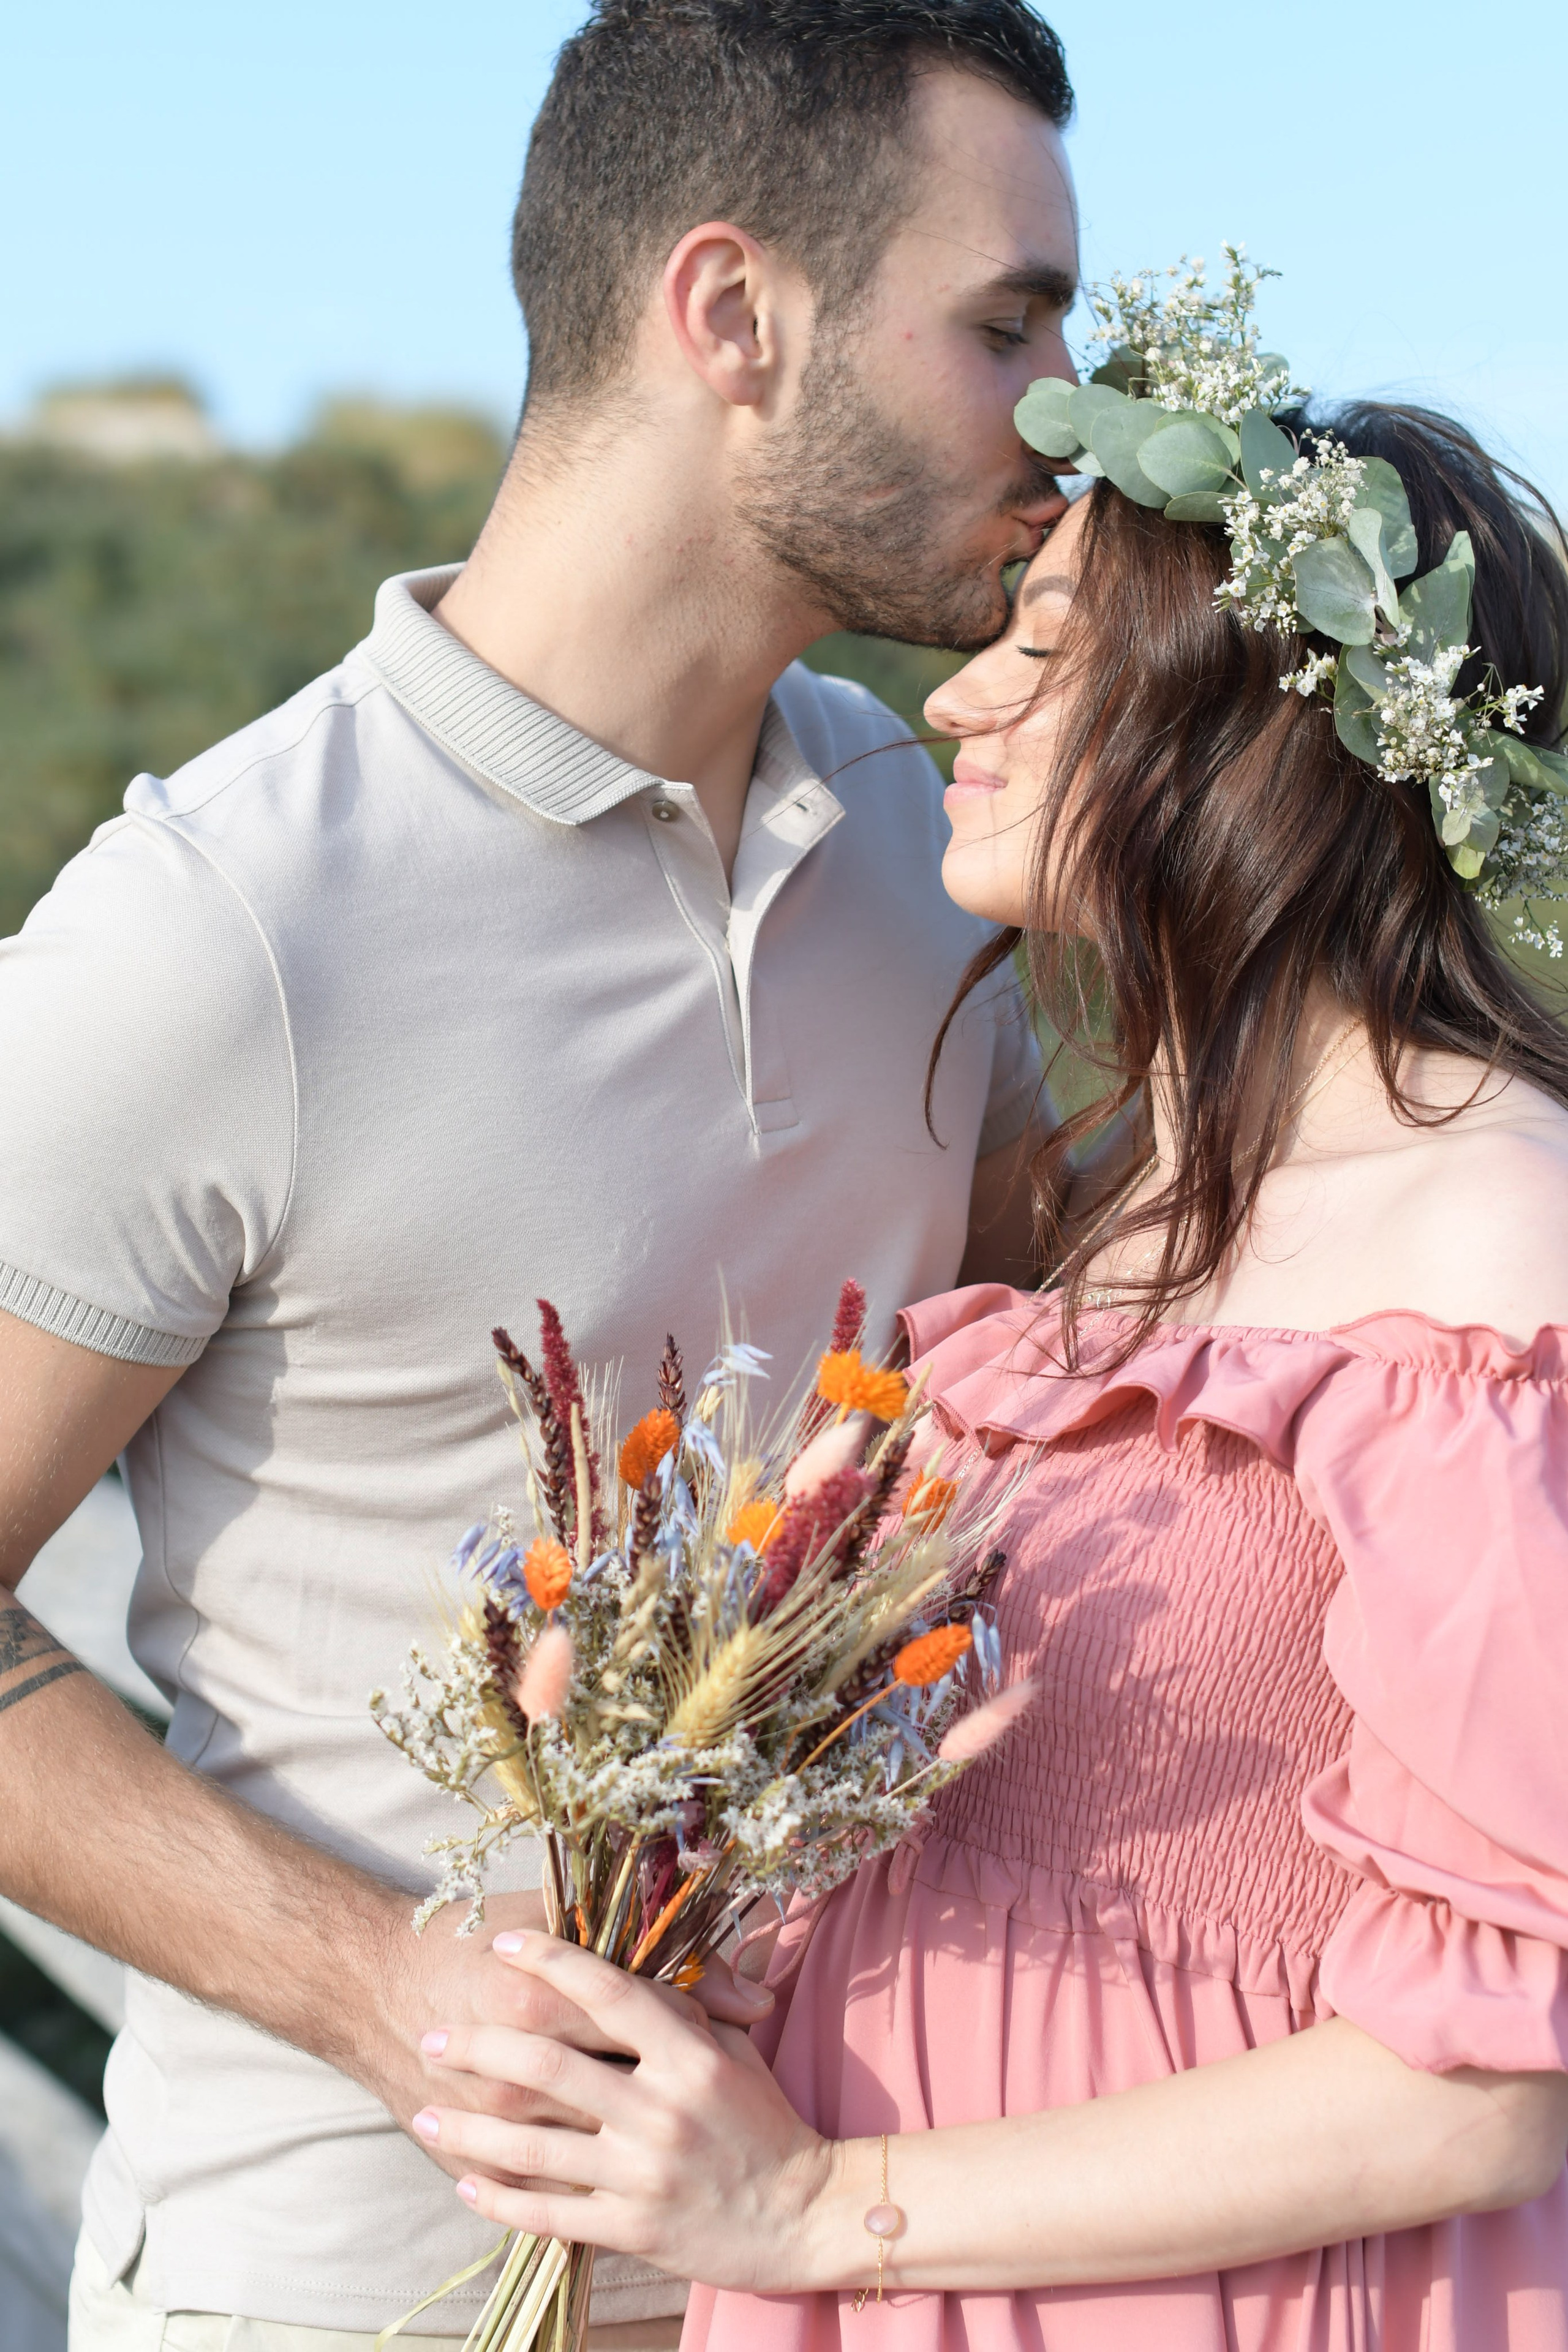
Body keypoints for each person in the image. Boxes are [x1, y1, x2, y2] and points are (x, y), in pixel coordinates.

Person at [0, 5, 1085, 2348]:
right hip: (339, 2297)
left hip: (856, 2272)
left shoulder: (929, 841)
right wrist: (378, 1986)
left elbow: (1051, 1394)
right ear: (731, 315)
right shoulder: (221, 931)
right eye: (1008, 327)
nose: (1065, 412)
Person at [408, 377, 1568, 2347]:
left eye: (1055, 648)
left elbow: (1499, 2076)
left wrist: (811, 2207)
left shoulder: (1491, 1240)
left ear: (1271, 727)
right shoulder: (1119, 1199)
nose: (957, 699)